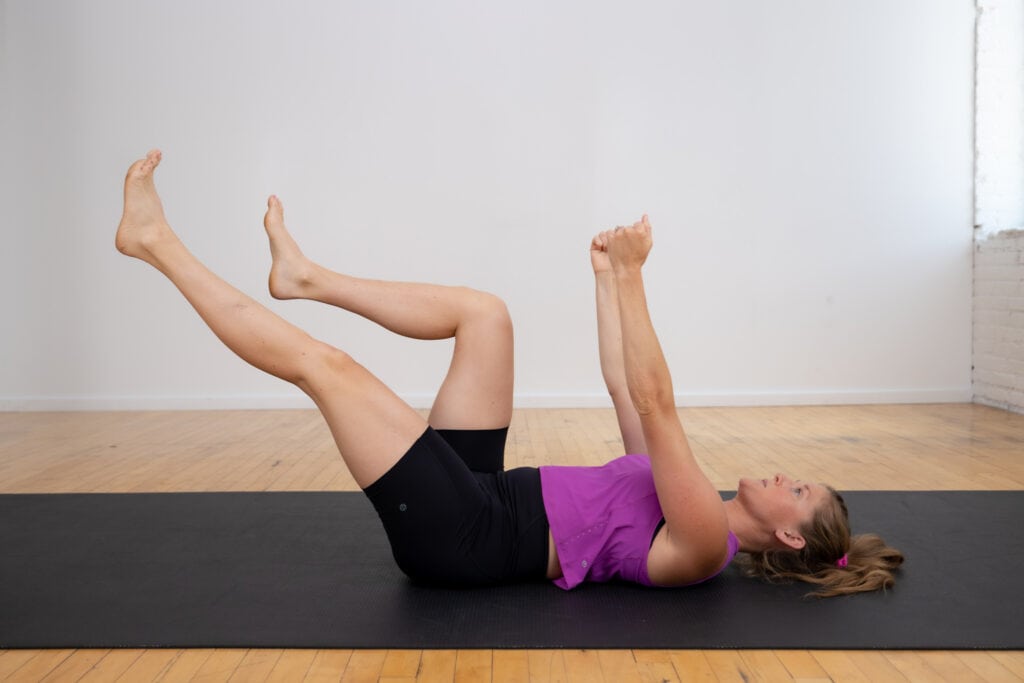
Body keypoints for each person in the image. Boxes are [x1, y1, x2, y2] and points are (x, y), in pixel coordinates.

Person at [116, 150, 903, 597]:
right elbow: (628, 393)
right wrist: (604, 277)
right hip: (486, 495)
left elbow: (659, 406)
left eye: (797, 488)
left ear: (790, 531)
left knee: (327, 367)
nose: (782, 475)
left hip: (463, 537)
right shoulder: (691, 498)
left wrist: (635, 279)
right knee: (485, 315)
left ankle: (155, 243)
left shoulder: (704, 543)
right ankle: (304, 277)